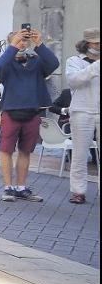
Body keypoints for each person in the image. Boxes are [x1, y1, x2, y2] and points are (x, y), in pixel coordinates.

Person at [0, 25, 59, 202]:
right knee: (6, 150)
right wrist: (13, 46)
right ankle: (8, 188)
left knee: (25, 151)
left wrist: (39, 44)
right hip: (11, 111)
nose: (22, 43)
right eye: (18, 40)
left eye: (24, 40)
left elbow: (54, 63)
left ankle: (21, 187)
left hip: (32, 111)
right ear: (11, 44)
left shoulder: (37, 62)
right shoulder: (7, 62)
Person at [65, 28, 99, 204]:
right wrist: (95, 66)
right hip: (81, 110)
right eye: (96, 43)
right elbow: (74, 81)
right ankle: (78, 191)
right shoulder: (74, 61)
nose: (99, 46)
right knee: (80, 153)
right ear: (87, 44)